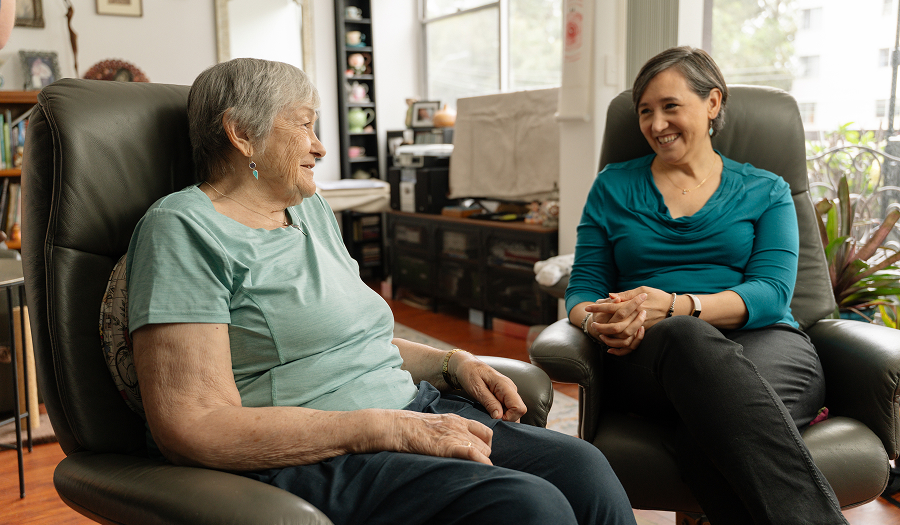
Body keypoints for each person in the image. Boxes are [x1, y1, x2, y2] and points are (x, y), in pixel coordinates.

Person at [126, 58, 636, 525]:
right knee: (528, 506)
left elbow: (355, 341)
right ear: (241, 133)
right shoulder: (182, 227)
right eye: (304, 124)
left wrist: (451, 363)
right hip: (321, 453)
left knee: (582, 467)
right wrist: (383, 428)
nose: (321, 146)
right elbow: (191, 425)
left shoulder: (308, 209)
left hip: (410, 410)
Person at [566, 46, 848, 524]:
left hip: (768, 343)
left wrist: (677, 304)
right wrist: (600, 324)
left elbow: (773, 293)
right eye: (645, 113)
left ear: (713, 103)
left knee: (707, 437)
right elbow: (582, 291)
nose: (657, 125)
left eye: (670, 106)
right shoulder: (612, 187)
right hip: (650, 354)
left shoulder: (767, 189)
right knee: (685, 337)